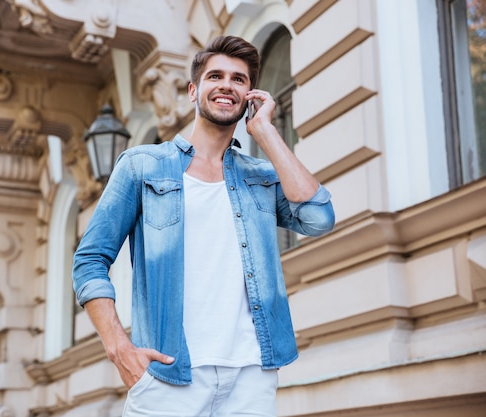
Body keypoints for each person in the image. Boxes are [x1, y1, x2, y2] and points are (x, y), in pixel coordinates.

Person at [73, 35, 335, 416]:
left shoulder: (260, 176)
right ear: (194, 91)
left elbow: (319, 218)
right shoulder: (142, 166)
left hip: (251, 375)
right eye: (215, 76)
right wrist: (118, 347)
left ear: (249, 95)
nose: (227, 85)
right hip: (168, 374)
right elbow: (90, 260)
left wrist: (265, 133)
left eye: (239, 79)